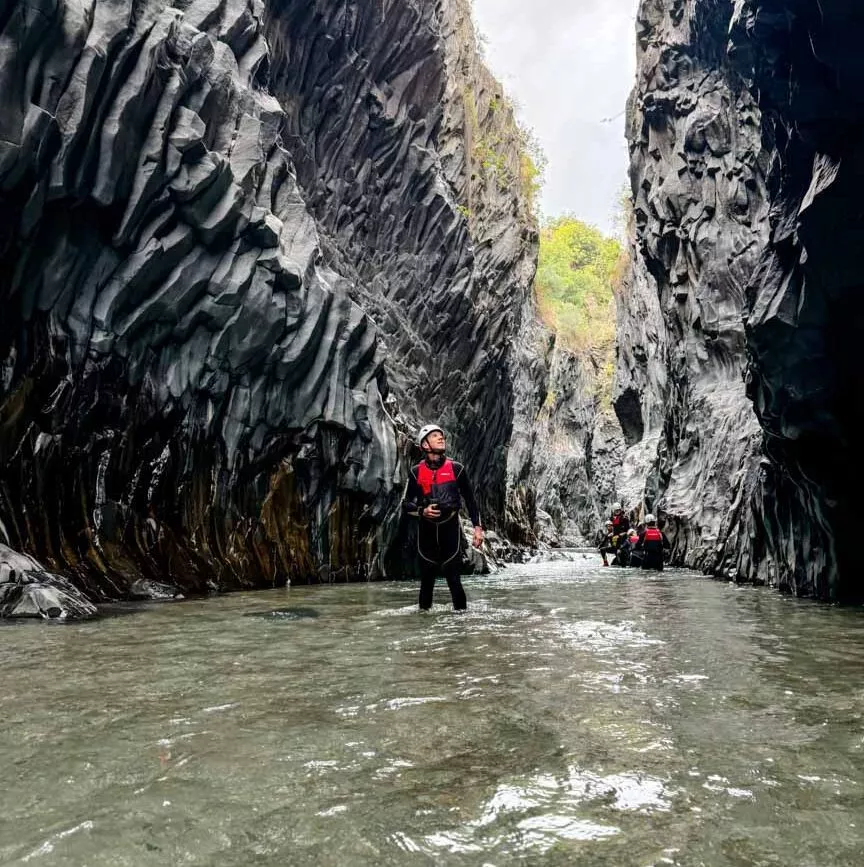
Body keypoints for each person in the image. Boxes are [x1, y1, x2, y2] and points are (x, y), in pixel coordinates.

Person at [403, 424, 483, 611]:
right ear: (424, 445)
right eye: (435, 436)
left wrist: (478, 528)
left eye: (442, 435)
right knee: (426, 582)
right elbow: (406, 504)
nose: (441, 438)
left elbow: (471, 501)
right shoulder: (415, 472)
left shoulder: (457, 469)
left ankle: (461, 626)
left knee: (454, 580)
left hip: (450, 529)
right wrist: (422, 511)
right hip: (427, 531)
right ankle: (424, 625)